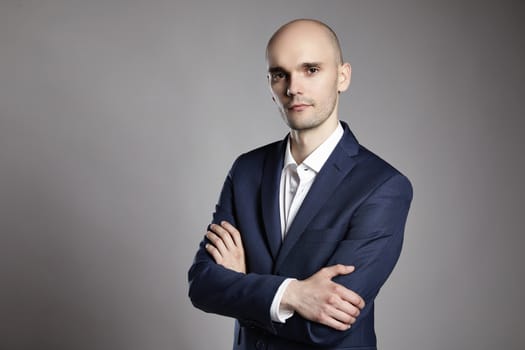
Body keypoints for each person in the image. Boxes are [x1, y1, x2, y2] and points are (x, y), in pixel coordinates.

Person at [188, 18, 412, 350]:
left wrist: (243, 287)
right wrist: (293, 294)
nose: (293, 87)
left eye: (310, 70)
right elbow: (203, 286)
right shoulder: (246, 170)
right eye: (280, 74)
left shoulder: (383, 187)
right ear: (270, 83)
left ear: (342, 76)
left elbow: (328, 327)